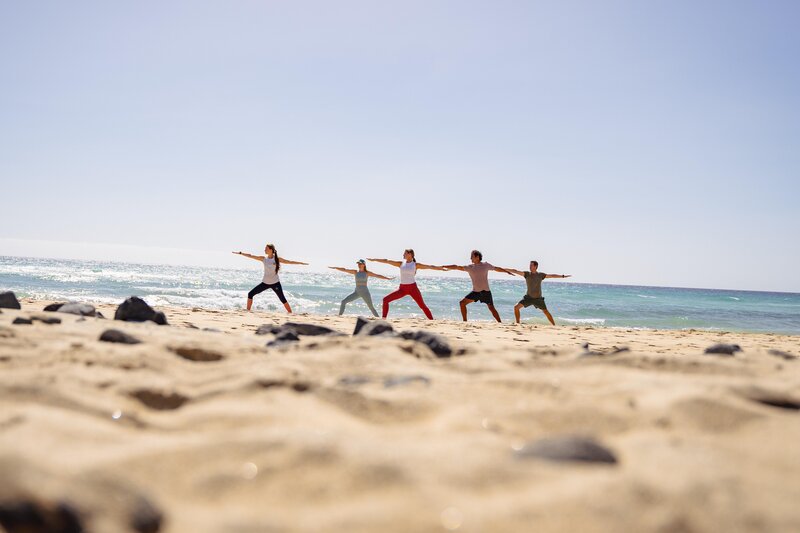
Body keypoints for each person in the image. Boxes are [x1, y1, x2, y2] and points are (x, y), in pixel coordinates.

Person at [367, 249, 446, 320]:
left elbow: (430, 267)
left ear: (410, 254)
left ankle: (432, 320)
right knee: (385, 300)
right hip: (402, 289)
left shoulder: (415, 265)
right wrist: (374, 260)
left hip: (413, 288)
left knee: (422, 306)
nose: (403, 255)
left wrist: (441, 268)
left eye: (405, 253)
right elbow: (387, 261)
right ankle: (384, 319)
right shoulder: (401, 264)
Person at [443, 249, 516, 322]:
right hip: (476, 292)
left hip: (486, 292)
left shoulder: (486, 265)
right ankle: (465, 322)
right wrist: (444, 266)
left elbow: (496, 268)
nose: (470, 258)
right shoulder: (470, 267)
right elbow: (457, 267)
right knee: (462, 303)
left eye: (472, 256)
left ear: (477, 257)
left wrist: (506, 271)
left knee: (491, 308)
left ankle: (500, 323)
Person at [232, 243, 308, 313]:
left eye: (266, 248)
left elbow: (289, 262)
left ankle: (291, 313)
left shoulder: (277, 259)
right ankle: (248, 311)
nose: (264, 250)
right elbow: (251, 256)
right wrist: (241, 253)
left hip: (275, 283)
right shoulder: (264, 259)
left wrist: (301, 263)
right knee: (250, 294)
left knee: (282, 299)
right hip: (265, 283)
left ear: (271, 250)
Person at [505, 260, 571, 325]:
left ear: (535, 266)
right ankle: (518, 323)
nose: (529, 267)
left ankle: (554, 325)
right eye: (529, 265)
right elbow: (515, 271)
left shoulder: (540, 275)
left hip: (538, 299)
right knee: (516, 307)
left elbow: (552, 275)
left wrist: (562, 276)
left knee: (546, 311)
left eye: (531, 265)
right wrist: (504, 270)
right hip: (528, 298)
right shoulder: (527, 274)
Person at [329, 259, 393, 317]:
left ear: (364, 265)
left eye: (360, 264)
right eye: (358, 264)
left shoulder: (367, 273)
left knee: (371, 307)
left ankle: (378, 318)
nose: (359, 265)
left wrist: (387, 278)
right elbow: (345, 270)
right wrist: (336, 268)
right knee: (343, 302)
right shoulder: (355, 272)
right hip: (357, 292)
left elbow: (377, 275)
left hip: (365, 293)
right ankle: (340, 316)